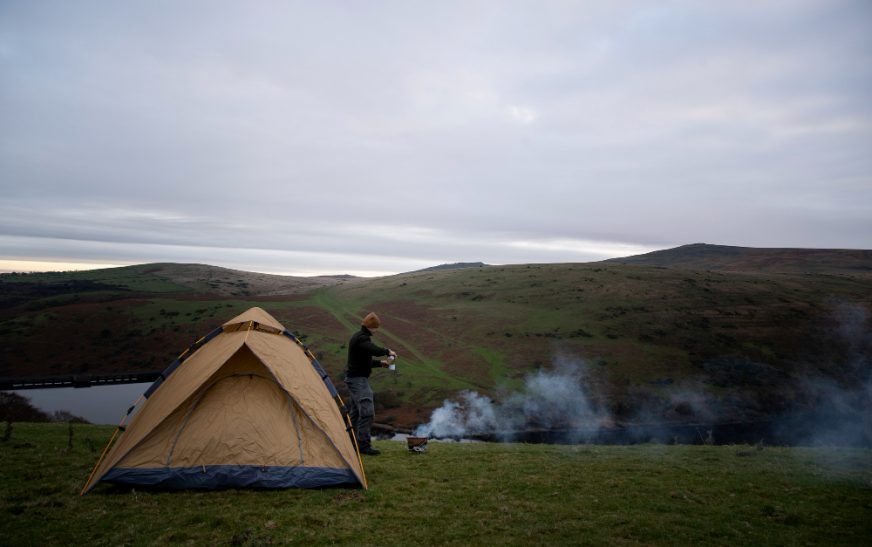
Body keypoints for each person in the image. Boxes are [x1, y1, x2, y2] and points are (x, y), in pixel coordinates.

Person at [344, 312, 397, 456]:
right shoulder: (362, 339)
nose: (376, 330)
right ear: (372, 327)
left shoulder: (359, 338)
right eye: (376, 328)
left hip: (354, 379)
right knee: (367, 412)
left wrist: (381, 364)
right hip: (358, 381)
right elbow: (373, 349)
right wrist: (388, 351)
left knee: (355, 414)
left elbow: (363, 361)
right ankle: (363, 446)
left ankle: (352, 444)